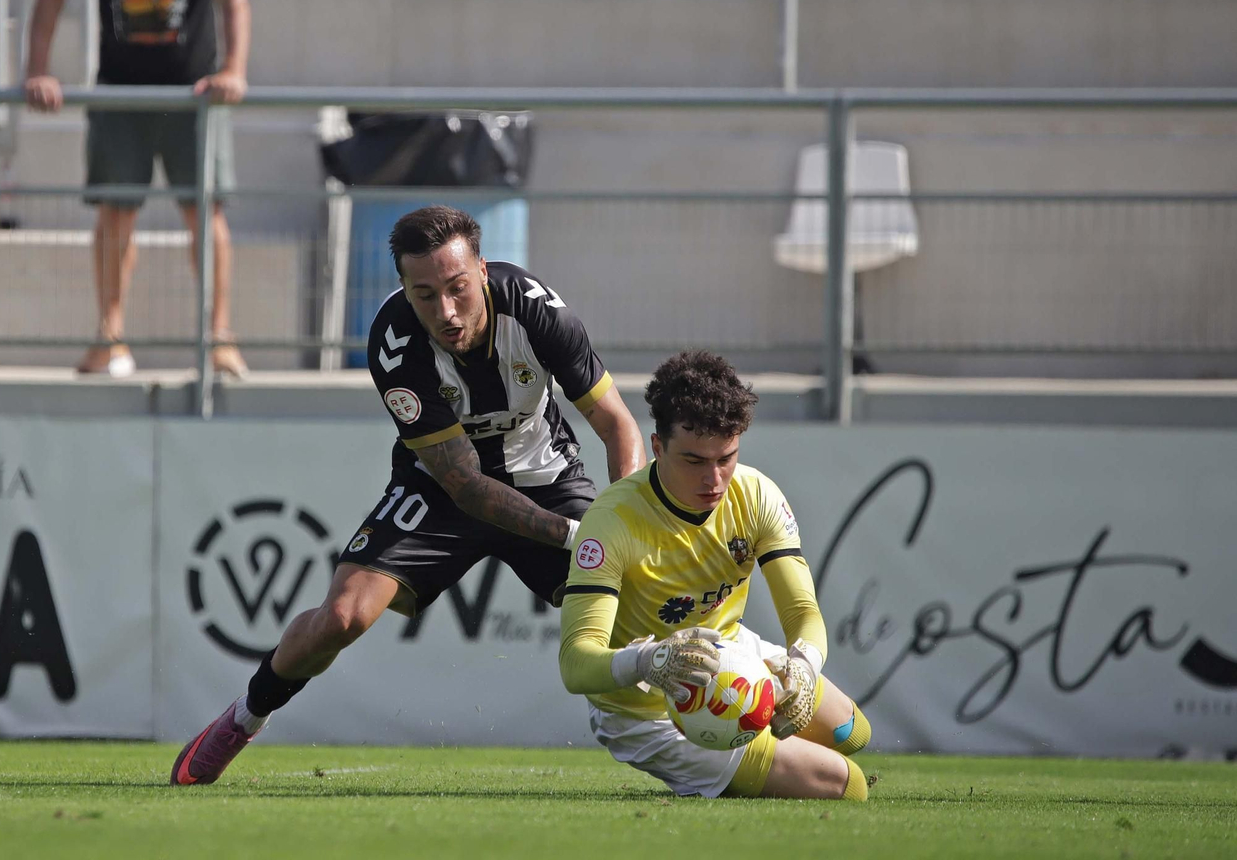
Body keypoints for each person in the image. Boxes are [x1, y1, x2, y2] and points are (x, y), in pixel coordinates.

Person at [171, 204, 648, 785]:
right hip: (441, 487)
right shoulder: (394, 342)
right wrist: (579, 537)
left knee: (636, 603)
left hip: (546, 475)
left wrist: (622, 526)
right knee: (342, 617)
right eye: (425, 295)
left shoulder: (536, 310)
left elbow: (618, 426)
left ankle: (711, 721)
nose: (446, 312)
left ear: (481, 269)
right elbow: (466, 486)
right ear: (403, 288)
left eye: (458, 289)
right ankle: (243, 718)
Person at [558, 350, 873, 801]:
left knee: (851, 731)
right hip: (645, 713)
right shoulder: (612, 521)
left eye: (726, 457)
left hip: (731, 656)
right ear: (657, 446)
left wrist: (803, 668)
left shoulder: (756, 493)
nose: (714, 479)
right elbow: (575, 664)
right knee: (848, 786)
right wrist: (649, 662)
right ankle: (723, 771)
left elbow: (803, 610)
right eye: (693, 461)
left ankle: (755, 762)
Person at [24, 0, 249, 377]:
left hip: (191, 93)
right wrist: (38, 69)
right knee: (115, 214)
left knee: (204, 213)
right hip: (121, 91)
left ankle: (219, 338)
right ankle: (109, 335)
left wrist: (234, 69)